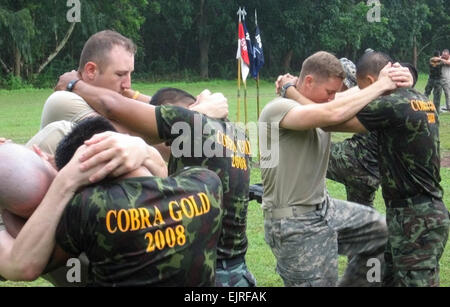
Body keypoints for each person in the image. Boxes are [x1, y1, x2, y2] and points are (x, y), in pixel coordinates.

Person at [53, 78, 255, 287]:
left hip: (208, 269)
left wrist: (73, 84)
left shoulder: (188, 121)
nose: (163, 143)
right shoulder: (238, 134)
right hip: (238, 269)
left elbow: (111, 106)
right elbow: (163, 107)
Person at [0, 117, 223, 286]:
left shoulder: (89, 207)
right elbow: (161, 177)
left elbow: (25, 262)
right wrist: (142, 148)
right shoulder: (205, 183)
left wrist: (65, 181)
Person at [258, 51, 412, 287]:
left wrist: (386, 79)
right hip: (293, 223)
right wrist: (380, 85)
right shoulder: (279, 108)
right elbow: (332, 113)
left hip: (324, 209)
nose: (333, 98)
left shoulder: (319, 103)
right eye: (329, 92)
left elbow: (349, 98)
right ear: (308, 81)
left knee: (378, 231)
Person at [333, 51, 450, 287]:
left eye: (364, 86)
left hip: (416, 220)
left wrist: (291, 91)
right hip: (410, 214)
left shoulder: (393, 105)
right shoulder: (416, 98)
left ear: (369, 83)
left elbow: (332, 118)